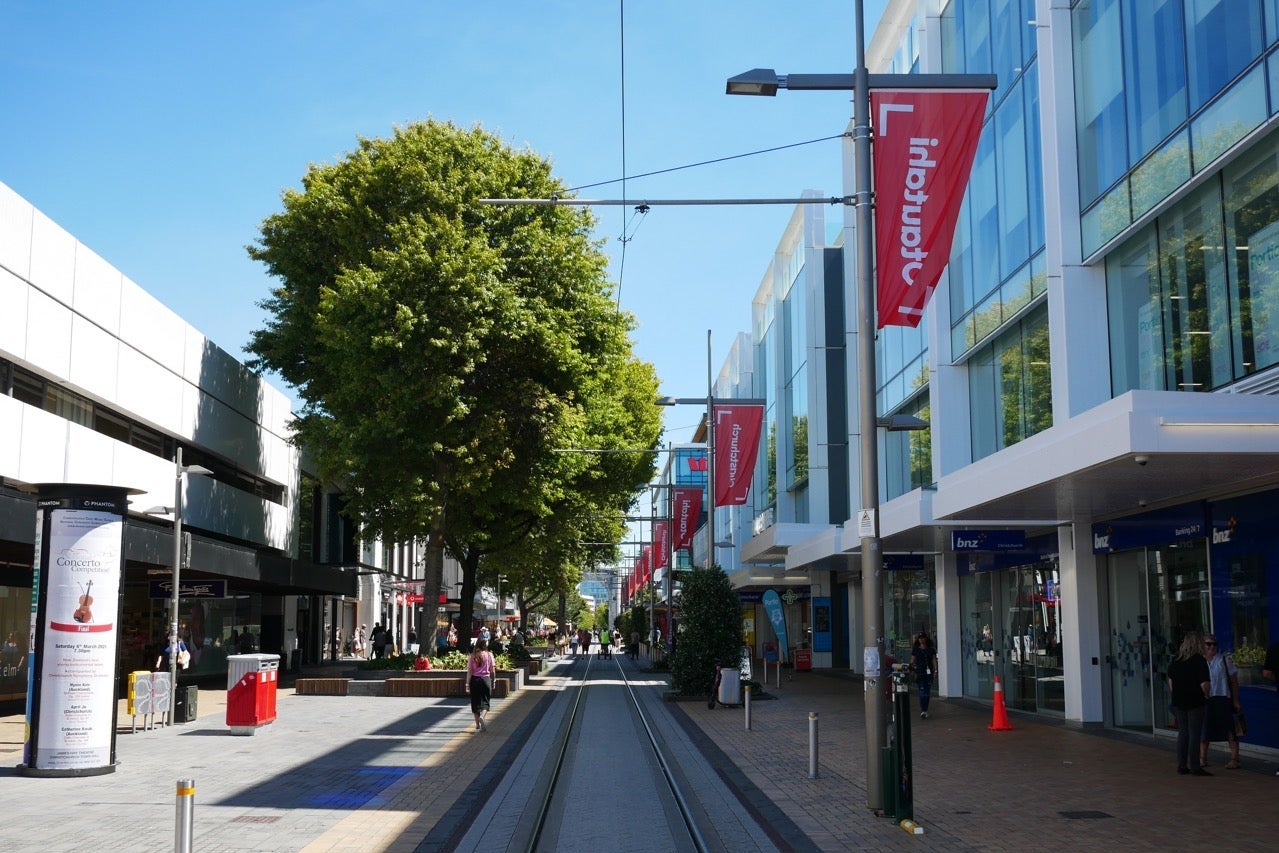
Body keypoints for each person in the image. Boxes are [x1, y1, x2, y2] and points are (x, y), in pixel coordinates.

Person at [1167, 631, 1212, 776]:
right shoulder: (1199, 660)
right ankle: (1195, 766)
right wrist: (1206, 695)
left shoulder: (1176, 660)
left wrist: (1177, 694)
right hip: (1195, 700)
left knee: (1183, 732)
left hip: (1179, 700)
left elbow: (1171, 682)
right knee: (1195, 733)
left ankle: (1181, 765)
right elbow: (1204, 684)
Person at [1199, 634, 1240, 769]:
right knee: (1205, 729)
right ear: (1203, 646)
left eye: (1214, 644)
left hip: (1223, 698)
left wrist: (1235, 700)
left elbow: (1234, 682)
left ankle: (1234, 758)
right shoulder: (1199, 662)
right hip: (1206, 699)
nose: (1212, 647)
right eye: (1208, 644)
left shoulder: (1224, 660)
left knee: (1229, 729)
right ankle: (1202, 758)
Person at [465, 638, 495, 732]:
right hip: (486, 679)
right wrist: (493, 680)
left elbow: (469, 671)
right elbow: (492, 670)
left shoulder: (472, 656)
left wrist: (467, 684)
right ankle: (482, 716)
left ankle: (477, 725)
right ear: (485, 645)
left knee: (475, 702)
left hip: (474, 680)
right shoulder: (489, 655)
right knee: (486, 701)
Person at [911, 632, 939, 719]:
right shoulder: (916, 650)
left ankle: (925, 710)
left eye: (923, 638)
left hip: (929, 673)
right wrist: (911, 667)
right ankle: (923, 710)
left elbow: (934, 660)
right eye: (920, 638)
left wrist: (935, 670)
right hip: (919, 673)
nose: (921, 640)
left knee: (927, 692)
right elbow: (912, 660)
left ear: (926, 639)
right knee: (922, 691)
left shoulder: (931, 649)